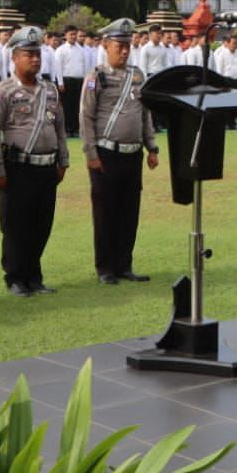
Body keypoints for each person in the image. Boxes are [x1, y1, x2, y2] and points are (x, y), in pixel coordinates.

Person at [0, 25, 68, 297]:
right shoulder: (3, 92)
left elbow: (60, 128)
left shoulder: (50, 91)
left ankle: (34, 275)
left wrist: (63, 160)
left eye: (37, 53)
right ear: (14, 57)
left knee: (41, 224)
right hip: (17, 167)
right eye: (28, 53)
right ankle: (15, 277)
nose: (34, 58)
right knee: (15, 225)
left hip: (46, 167)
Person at [80, 18, 159, 284]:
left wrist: (152, 147)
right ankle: (105, 267)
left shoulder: (137, 76)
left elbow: (144, 114)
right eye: (119, 46)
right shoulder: (96, 77)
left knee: (129, 210)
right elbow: (86, 118)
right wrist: (91, 154)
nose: (124, 51)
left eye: (127, 45)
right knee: (105, 212)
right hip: (106, 153)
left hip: (132, 153)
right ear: (106, 46)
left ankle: (124, 264)